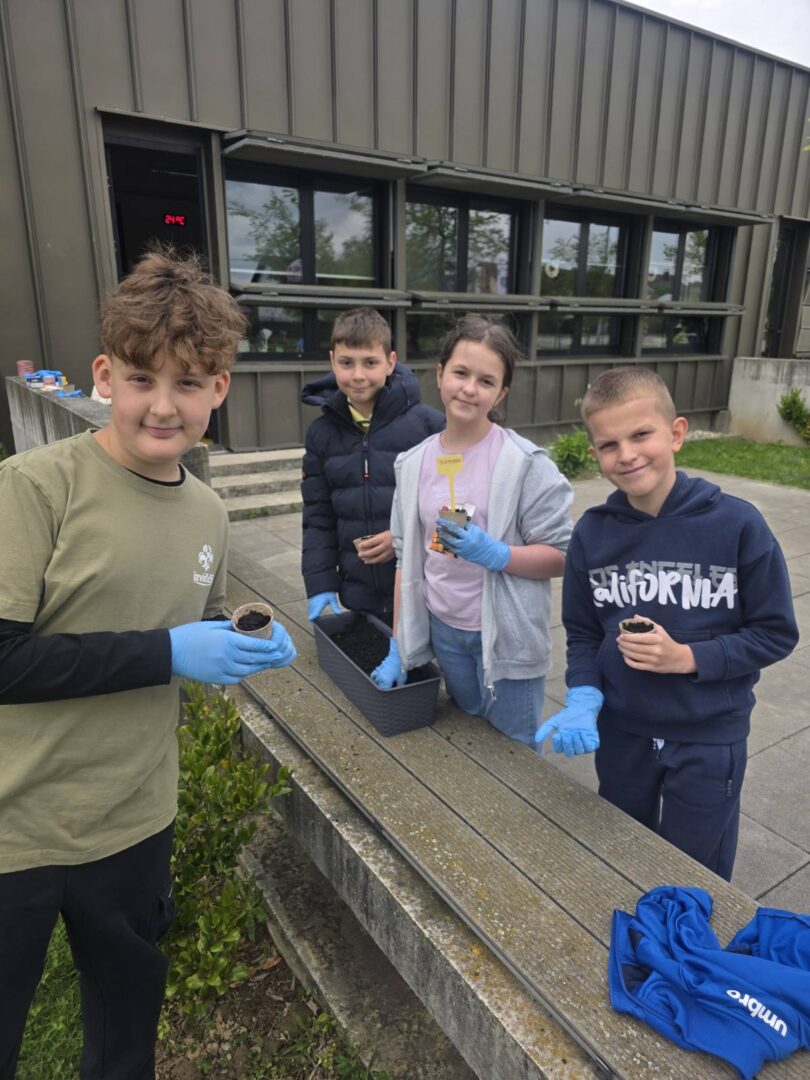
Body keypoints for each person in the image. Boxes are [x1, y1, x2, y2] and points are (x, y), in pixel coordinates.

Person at [0, 248, 297, 1079]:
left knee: (126, 1036)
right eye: (142, 379)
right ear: (105, 377)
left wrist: (237, 639)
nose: (164, 406)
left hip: (134, 818)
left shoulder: (208, 511)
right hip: (16, 825)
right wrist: (167, 651)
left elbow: (191, 621)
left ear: (219, 389)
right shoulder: (33, 487)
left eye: (189, 382)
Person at [536, 366, 799, 880]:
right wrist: (584, 694)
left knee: (694, 873)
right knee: (625, 856)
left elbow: (775, 632)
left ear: (676, 433)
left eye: (641, 435)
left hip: (708, 737)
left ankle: (693, 931)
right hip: (622, 731)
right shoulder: (592, 533)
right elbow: (584, 631)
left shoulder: (737, 525)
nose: (627, 454)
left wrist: (688, 658)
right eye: (609, 445)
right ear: (594, 454)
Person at [371, 316, 573, 748]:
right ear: (440, 374)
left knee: (514, 749)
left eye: (486, 381)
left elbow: (562, 555)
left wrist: (499, 554)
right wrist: (399, 643)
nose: (468, 388)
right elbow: (405, 557)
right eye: (460, 373)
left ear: (501, 393)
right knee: (469, 739)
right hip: (443, 630)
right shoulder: (412, 463)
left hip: (506, 639)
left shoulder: (525, 464)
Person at [301, 307, 444, 624]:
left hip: (424, 592)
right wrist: (320, 582)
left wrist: (401, 540)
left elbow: (456, 510)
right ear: (332, 361)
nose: (357, 375)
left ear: (390, 362)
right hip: (357, 594)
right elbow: (317, 516)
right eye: (346, 363)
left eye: (370, 362)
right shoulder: (320, 434)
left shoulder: (431, 427)